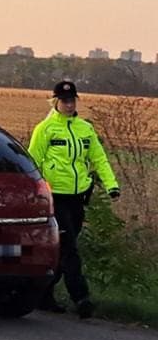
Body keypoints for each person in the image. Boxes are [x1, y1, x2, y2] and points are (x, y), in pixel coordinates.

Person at [28, 79, 120, 319]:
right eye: (65, 101)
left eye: (72, 101)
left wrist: (112, 186)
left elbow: (99, 159)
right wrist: (36, 192)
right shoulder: (45, 129)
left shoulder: (85, 129)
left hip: (77, 198)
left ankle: (43, 295)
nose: (69, 105)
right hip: (55, 196)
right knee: (70, 249)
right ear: (55, 101)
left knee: (61, 250)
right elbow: (33, 162)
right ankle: (81, 297)